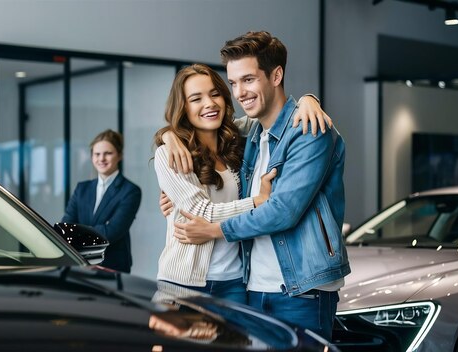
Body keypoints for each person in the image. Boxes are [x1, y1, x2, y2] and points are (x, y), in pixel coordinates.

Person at [167, 31, 350, 341]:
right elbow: (200, 124)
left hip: (301, 292)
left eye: (248, 79)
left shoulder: (308, 130)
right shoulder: (251, 133)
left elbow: (283, 212)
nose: (239, 93)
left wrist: (215, 230)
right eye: (234, 82)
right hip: (253, 288)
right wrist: (168, 136)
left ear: (276, 75)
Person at [154, 64, 327, 304]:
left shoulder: (236, 141)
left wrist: (309, 100)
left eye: (215, 94)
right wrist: (258, 202)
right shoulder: (169, 154)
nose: (209, 104)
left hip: (234, 282)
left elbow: (275, 115)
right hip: (183, 283)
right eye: (196, 98)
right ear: (183, 107)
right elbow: (201, 212)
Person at [62, 129, 141, 273]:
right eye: (97, 154)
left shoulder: (130, 191)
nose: (101, 159)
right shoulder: (82, 189)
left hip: (112, 267)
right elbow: (65, 227)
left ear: (120, 155)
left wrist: (77, 231)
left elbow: (112, 232)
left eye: (108, 153)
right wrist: (101, 228)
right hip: (80, 264)